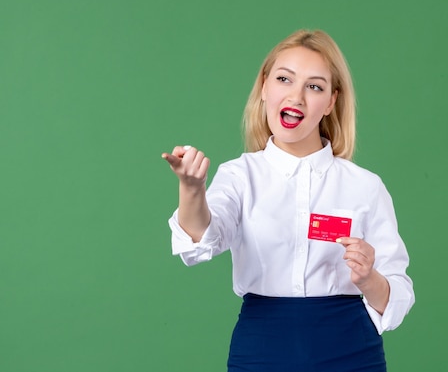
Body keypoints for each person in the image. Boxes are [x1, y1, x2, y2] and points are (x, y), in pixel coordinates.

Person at [161, 29, 415, 371]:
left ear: (330, 102)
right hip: (261, 349)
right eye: (284, 79)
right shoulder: (239, 176)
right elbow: (202, 241)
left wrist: (369, 278)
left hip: (351, 350)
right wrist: (191, 189)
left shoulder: (365, 187)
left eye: (314, 86)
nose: (296, 96)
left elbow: (397, 295)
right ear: (264, 87)